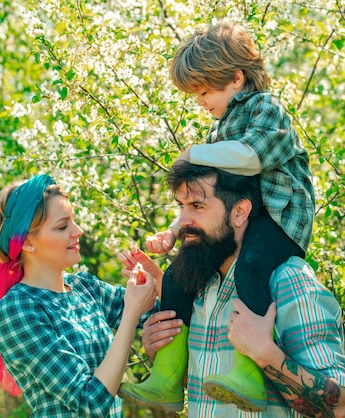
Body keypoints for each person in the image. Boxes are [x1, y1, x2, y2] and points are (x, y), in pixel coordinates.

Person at [119, 21, 315, 413]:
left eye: (205, 90)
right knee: (177, 276)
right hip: (242, 219)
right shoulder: (219, 128)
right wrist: (175, 231)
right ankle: (168, 377)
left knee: (253, 268)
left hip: (279, 221)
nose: (200, 101)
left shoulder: (266, 109)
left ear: (237, 78)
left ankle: (247, 374)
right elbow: (204, 193)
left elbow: (251, 157)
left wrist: (192, 154)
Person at [121, 161, 345, 417]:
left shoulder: (288, 280)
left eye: (197, 206)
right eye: (181, 207)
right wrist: (162, 353)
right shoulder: (198, 287)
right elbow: (208, 389)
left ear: (240, 212)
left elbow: (336, 407)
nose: (183, 221)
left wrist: (264, 353)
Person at [0, 174, 159, 417]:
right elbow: (90, 402)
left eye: (73, 221)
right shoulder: (18, 310)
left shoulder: (85, 288)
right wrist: (130, 313)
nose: (78, 231)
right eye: (62, 226)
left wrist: (154, 277)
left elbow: (162, 314)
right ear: (27, 241)